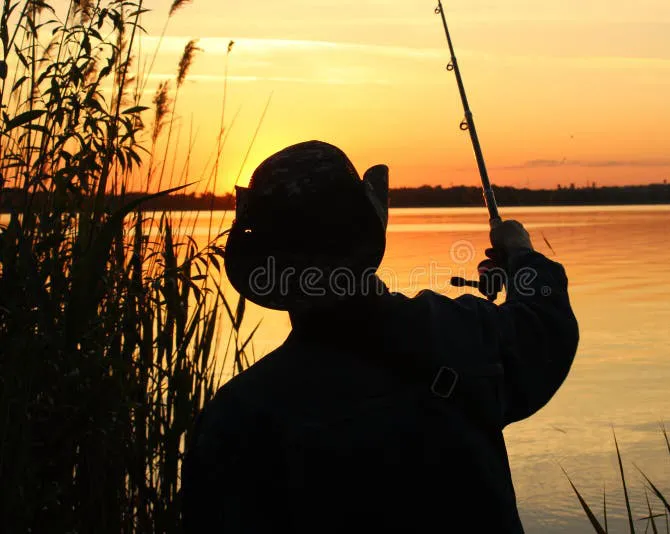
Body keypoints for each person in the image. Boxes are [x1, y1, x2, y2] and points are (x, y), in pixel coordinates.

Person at [181, 140, 579, 533]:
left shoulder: (235, 417)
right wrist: (523, 256)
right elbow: (544, 327)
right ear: (370, 231)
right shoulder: (463, 335)